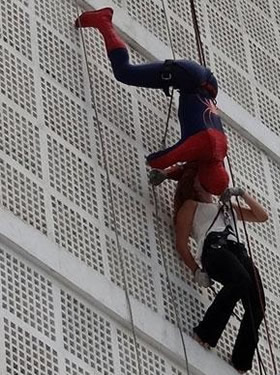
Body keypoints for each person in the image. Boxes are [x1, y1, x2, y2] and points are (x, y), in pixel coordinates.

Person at [75, 7, 229, 195]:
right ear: (204, 176)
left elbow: (189, 164)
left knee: (129, 73)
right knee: (125, 73)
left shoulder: (220, 150)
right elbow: (161, 160)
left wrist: (168, 175)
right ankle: (103, 21)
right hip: (189, 78)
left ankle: (103, 22)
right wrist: (156, 166)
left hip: (206, 84)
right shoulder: (204, 144)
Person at [173, 164, 268, 373]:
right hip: (214, 248)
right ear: (194, 184)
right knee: (241, 280)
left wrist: (241, 193)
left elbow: (262, 216)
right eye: (201, 177)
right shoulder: (191, 205)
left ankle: (241, 361)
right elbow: (181, 244)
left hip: (238, 252)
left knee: (257, 305)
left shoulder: (227, 208)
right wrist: (196, 270)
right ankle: (205, 334)